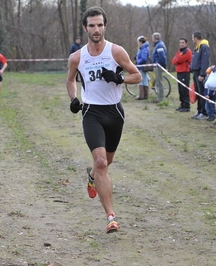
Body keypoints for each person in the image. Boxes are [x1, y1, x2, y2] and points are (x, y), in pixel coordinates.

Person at [65, 6, 141, 233]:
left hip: (114, 113)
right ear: (85, 28)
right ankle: (111, 217)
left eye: (99, 25)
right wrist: (74, 99)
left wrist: (119, 79)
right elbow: (70, 81)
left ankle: (92, 176)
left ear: (105, 26)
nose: (96, 29)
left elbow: (137, 76)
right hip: (91, 113)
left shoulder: (116, 51)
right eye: (91, 25)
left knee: (106, 163)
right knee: (100, 162)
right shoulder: (77, 57)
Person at [190, 31, 210, 120]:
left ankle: (204, 112)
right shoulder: (197, 47)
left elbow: (204, 61)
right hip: (195, 72)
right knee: (197, 92)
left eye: (192, 37)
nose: (192, 39)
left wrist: (202, 74)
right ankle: (199, 110)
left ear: (195, 38)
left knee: (202, 93)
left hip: (200, 73)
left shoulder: (204, 46)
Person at [172, 37, 192, 112]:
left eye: (183, 42)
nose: (181, 44)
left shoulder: (187, 51)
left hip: (185, 72)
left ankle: (186, 105)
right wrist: (177, 60)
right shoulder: (179, 51)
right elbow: (174, 61)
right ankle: (182, 104)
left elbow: (180, 59)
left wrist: (177, 60)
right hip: (179, 72)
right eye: (180, 42)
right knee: (180, 89)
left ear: (186, 43)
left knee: (184, 90)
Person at [151, 32, 167, 103]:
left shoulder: (159, 45)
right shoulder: (157, 45)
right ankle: (159, 96)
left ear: (154, 38)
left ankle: (160, 98)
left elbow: (162, 57)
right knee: (157, 81)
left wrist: (163, 66)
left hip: (158, 66)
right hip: (156, 65)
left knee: (159, 81)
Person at [135, 36, 150, 100]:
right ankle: (145, 95)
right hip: (142, 66)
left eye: (138, 42)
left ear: (141, 42)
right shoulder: (143, 48)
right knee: (144, 80)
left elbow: (144, 58)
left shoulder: (144, 48)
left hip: (142, 66)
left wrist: (138, 62)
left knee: (142, 80)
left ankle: (141, 95)